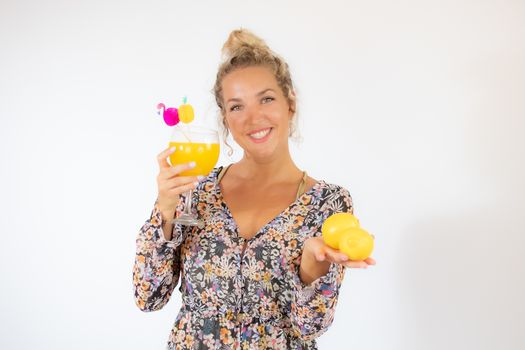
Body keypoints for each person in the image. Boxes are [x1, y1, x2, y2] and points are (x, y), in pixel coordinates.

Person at [133, 28, 376, 349]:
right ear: (225, 118)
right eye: (237, 107)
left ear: (290, 103)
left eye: (266, 99)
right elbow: (148, 297)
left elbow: (309, 328)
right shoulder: (197, 190)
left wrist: (312, 266)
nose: (253, 117)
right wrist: (164, 211)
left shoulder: (328, 202)